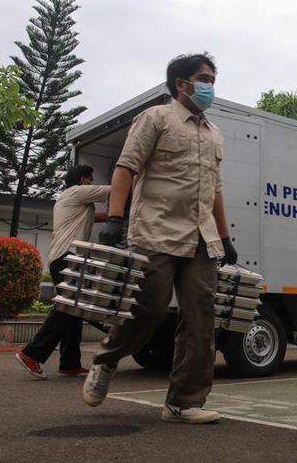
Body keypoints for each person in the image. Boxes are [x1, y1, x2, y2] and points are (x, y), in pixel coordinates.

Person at [82, 53, 238, 425]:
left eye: (213, 80)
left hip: (201, 238)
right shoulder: (155, 119)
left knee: (201, 317)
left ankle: (184, 401)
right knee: (148, 308)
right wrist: (115, 218)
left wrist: (225, 236)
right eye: (204, 79)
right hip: (156, 230)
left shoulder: (214, 133)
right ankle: (106, 361)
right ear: (181, 84)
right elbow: (126, 168)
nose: (210, 87)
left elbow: (215, 191)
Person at [14, 165, 110, 379]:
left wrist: (119, 215)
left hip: (62, 257)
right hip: (68, 257)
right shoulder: (77, 192)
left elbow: (97, 217)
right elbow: (114, 189)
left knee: (74, 311)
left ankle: (69, 363)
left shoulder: (72, 201)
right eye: (91, 179)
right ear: (83, 179)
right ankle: (32, 353)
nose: (92, 183)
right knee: (68, 307)